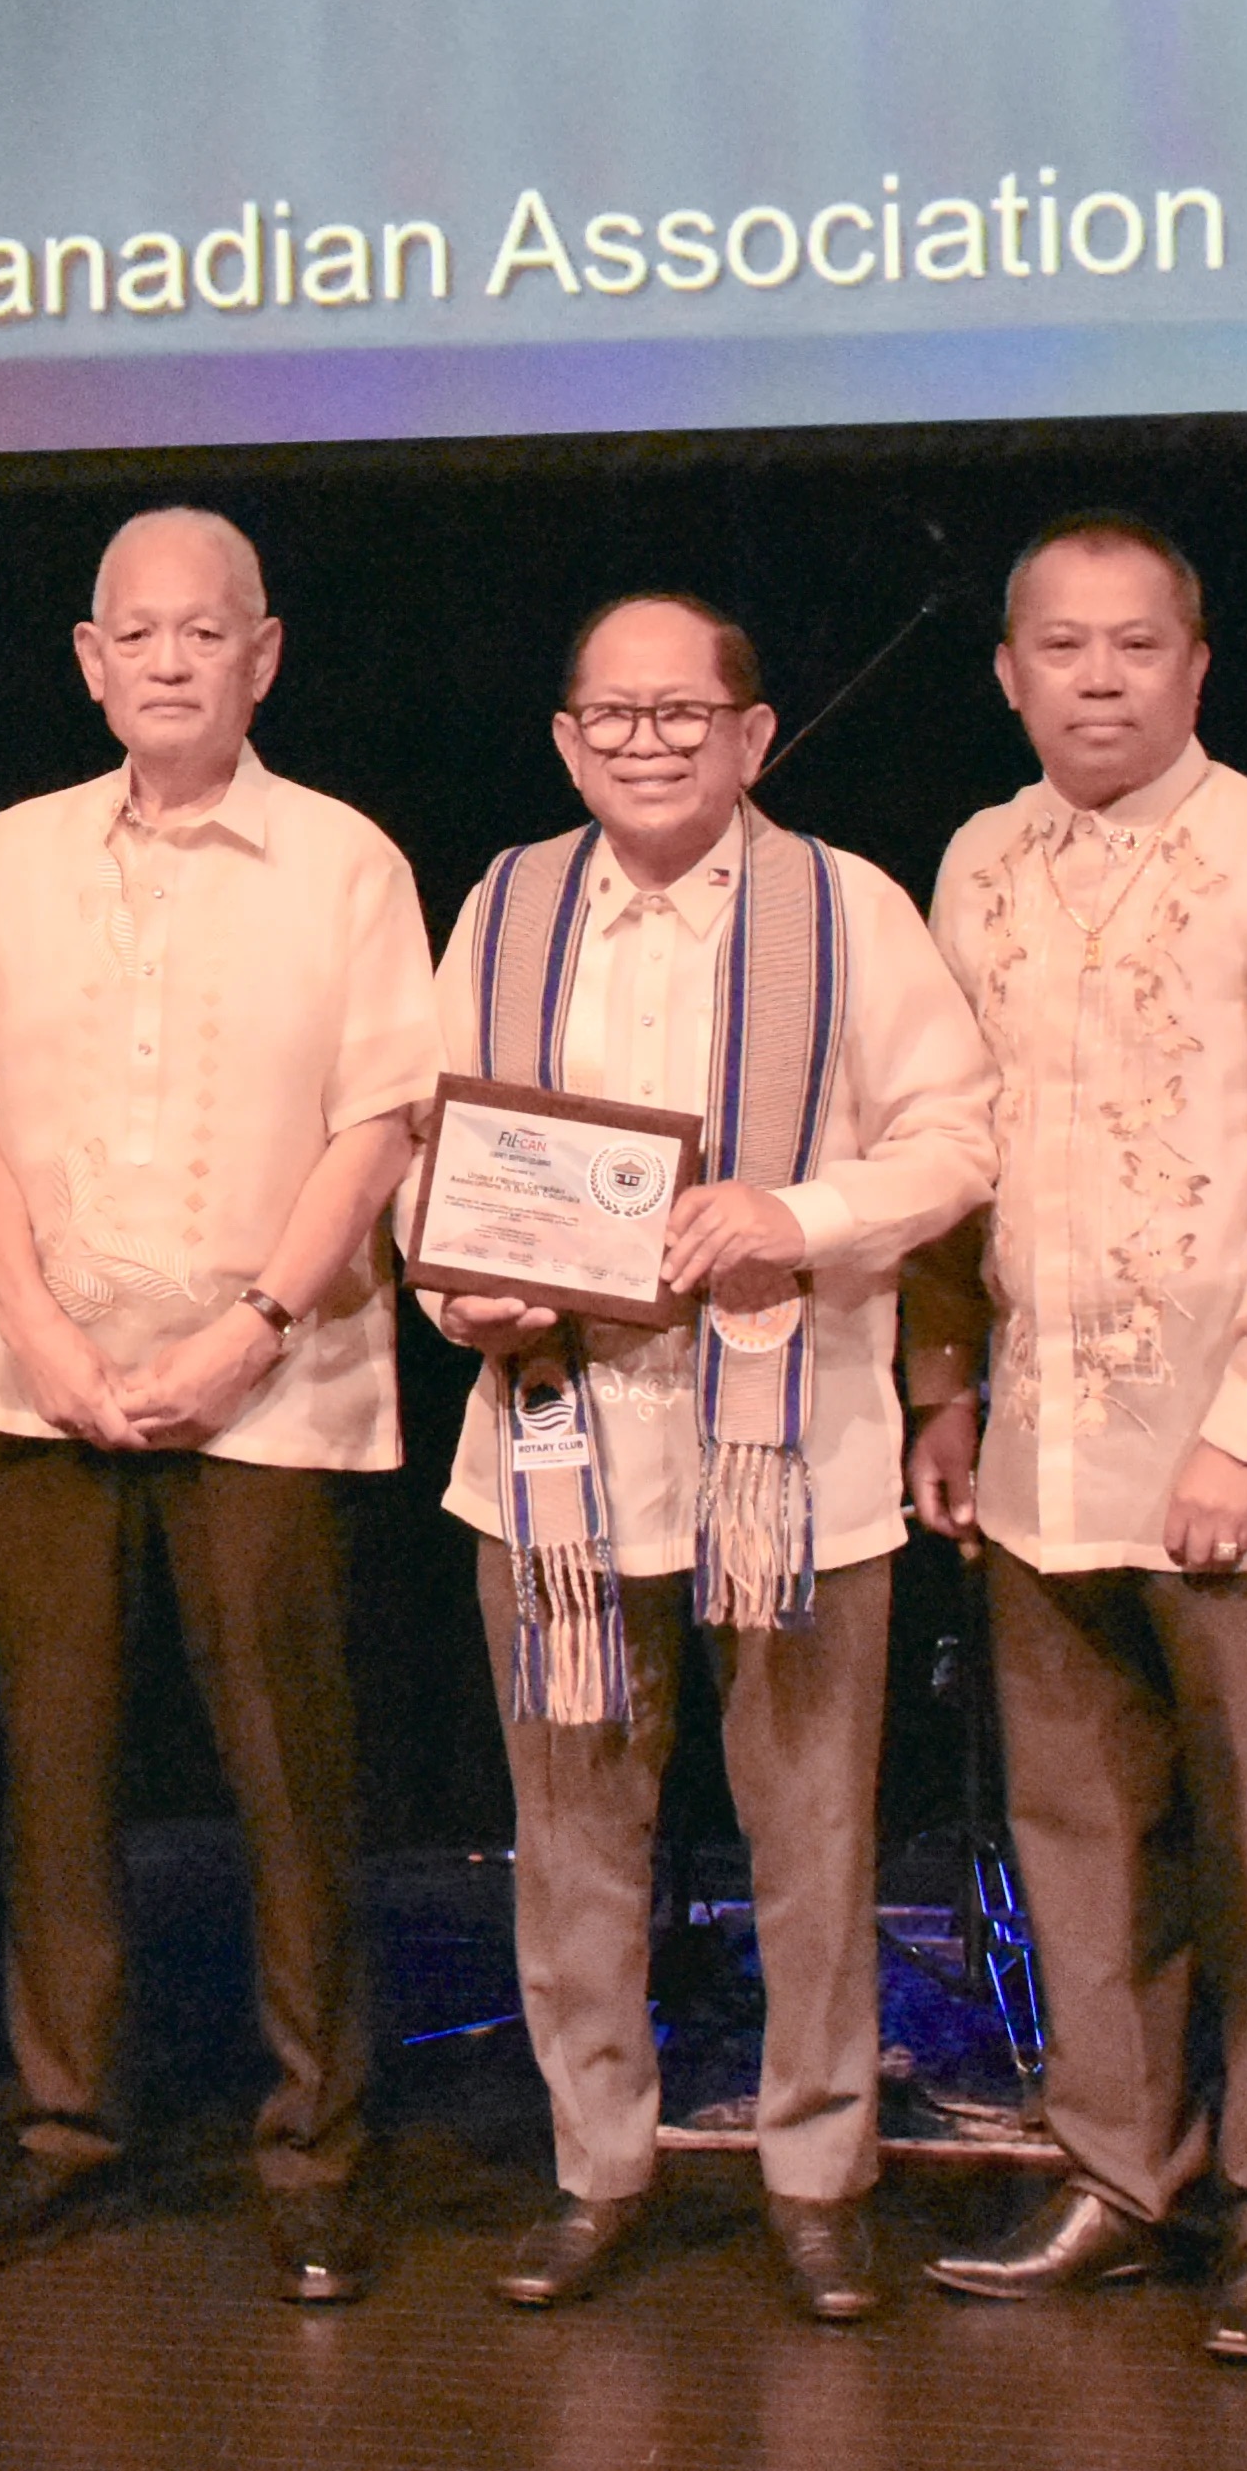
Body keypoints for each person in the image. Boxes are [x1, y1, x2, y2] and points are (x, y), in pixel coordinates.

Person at [423, 595, 993, 2319]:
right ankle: (596, 2163)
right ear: (565, 742)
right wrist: (452, 1280)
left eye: (685, 715)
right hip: (554, 1452)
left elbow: (959, 1136)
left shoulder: (847, 905)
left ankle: (819, 2174)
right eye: (614, 716)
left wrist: (795, 1214)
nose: (648, 744)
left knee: (812, 1836)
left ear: (752, 736)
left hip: (794, 1455)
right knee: (572, 1837)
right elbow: (428, 1142)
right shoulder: (507, 904)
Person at [0, 507, 435, 2302]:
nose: (169, 662)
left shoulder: (345, 859)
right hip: (52, 1387)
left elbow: (383, 1118)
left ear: (261, 656)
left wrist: (254, 1327)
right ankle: (66, 2124)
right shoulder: (15, 851)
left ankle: (315, 2146)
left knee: (291, 1777)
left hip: (270, 1393)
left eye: (204, 633)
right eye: (136, 634)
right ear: (89, 660)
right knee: (53, 1773)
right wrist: (31, 1338)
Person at [904, 513, 1247, 2362]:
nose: (1097, 680)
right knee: (1081, 1833)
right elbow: (949, 1145)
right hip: (1041, 1443)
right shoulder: (981, 857)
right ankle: (1118, 2172)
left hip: (1232, 1450)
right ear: (1008, 672)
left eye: (1135, 647)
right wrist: (945, 1383)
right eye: (1062, 646)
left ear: (1195, 665)